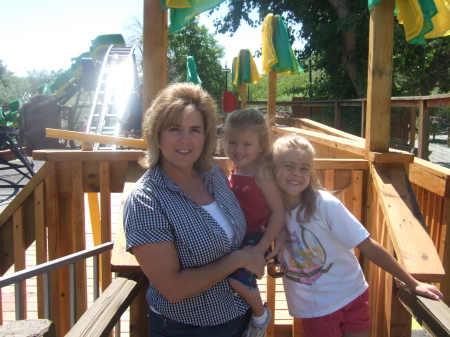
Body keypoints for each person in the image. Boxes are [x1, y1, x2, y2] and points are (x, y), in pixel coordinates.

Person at [123, 82, 267, 337]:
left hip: (239, 317)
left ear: (206, 135)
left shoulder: (214, 175)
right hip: (189, 328)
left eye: (195, 130)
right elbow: (173, 289)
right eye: (174, 129)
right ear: (157, 133)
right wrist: (240, 259)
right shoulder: (146, 199)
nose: (186, 139)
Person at [270, 134, 443, 337]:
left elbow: (368, 245)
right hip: (314, 307)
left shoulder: (324, 205)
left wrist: (413, 283)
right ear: (272, 169)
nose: (296, 174)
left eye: (304, 168)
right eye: (288, 166)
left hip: (351, 295)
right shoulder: (269, 211)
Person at [223, 109, 285, 337]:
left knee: (236, 278)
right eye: (232, 142)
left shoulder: (262, 172)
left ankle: (260, 315)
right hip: (239, 234)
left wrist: (260, 248)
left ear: (261, 145)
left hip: (256, 235)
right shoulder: (235, 169)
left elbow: (278, 212)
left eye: (246, 144)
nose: (238, 150)